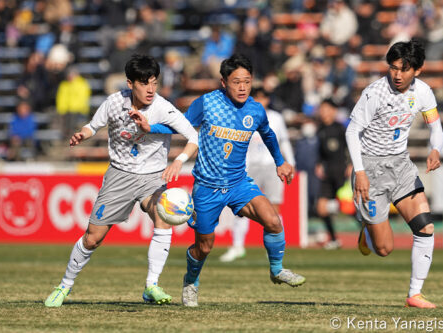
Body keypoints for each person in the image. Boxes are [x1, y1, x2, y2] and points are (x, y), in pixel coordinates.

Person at [148, 54, 306, 307]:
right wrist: (150, 127)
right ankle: (191, 281)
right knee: (204, 247)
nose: (243, 87)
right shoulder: (207, 103)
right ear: (224, 82)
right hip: (207, 188)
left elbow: (268, 134)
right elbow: (181, 124)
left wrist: (280, 161)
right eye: (236, 82)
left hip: (238, 183)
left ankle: (277, 269)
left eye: (247, 81)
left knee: (273, 221)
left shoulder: (255, 110)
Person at [44, 54, 199, 307]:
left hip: (152, 178)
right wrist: (82, 135)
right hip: (120, 176)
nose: (150, 89)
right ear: (130, 83)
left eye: (154, 83)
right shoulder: (114, 103)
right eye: (144, 83)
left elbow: (193, 137)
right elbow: (93, 126)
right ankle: (64, 286)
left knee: (163, 215)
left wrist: (179, 161)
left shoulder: (163, 108)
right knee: (93, 238)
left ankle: (151, 286)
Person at [345, 39, 443, 308]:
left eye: (404, 69)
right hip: (370, 168)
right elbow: (352, 131)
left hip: (400, 165)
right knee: (385, 249)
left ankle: (414, 294)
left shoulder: (423, 92)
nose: (397, 75)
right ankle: (367, 229)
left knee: (425, 225)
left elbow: (436, 127)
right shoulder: (374, 93)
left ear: (418, 70)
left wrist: (435, 149)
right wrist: (361, 172)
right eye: (393, 68)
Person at [219, 87, 295, 262]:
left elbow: (283, 140)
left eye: (264, 97)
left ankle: (275, 248)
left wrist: (290, 161)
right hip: (248, 167)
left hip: (271, 166)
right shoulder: (243, 116)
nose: (261, 101)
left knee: (274, 207)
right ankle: (237, 246)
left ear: (269, 100)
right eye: (258, 97)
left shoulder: (276, 118)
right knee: (241, 207)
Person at [314, 99, 349, 250]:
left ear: (334, 111)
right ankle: (334, 239)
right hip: (328, 173)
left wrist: (351, 165)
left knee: (351, 208)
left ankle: (369, 234)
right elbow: (320, 151)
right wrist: (319, 164)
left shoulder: (341, 128)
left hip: (342, 171)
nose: (324, 112)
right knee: (321, 208)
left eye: (327, 109)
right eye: (321, 109)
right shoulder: (320, 129)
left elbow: (351, 147)